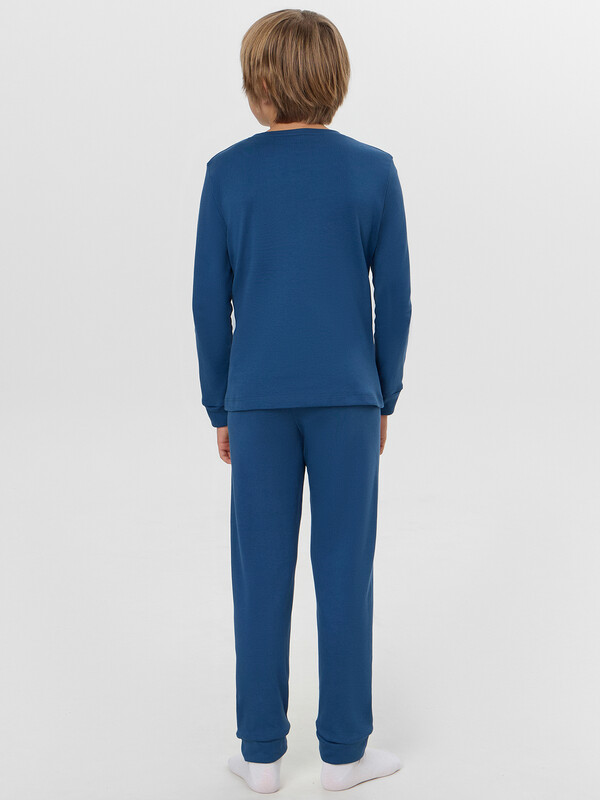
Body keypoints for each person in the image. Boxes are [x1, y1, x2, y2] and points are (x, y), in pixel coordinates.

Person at [192, 9, 412, 794]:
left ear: (257, 88)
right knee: (345, 569)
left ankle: (260, 754)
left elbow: (207, 301)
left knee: (260, 573)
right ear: (336, 81)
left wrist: (220, 406)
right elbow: (397, 299)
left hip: (257, 401)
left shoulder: (227, 173)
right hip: (348, 399)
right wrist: (383, 393)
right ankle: (345, 753)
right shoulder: (374, 170)